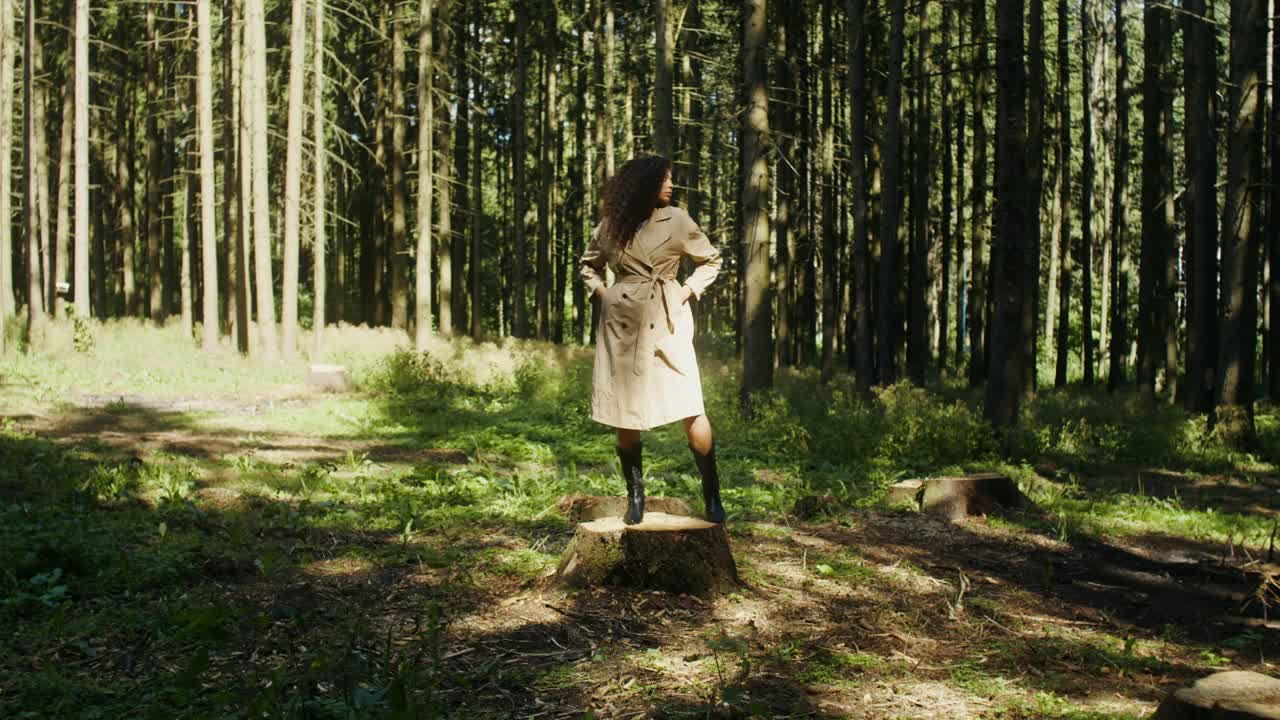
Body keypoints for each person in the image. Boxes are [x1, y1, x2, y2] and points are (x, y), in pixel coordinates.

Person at [579, 155, 725, 526]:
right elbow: (587, 265)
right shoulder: (612, 225)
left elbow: (711, 260)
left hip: (668, 319)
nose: (671, 185)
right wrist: (604, 295)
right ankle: (636, 497)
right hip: (623, 324)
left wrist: (687, 290)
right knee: (625, 410)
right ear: (644, 183)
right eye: (664, 179)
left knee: (691, 404)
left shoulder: (677, 219)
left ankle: (713, 497)